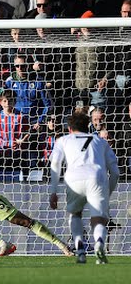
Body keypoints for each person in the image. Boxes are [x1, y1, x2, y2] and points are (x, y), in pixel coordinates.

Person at [49, 112, 120, 264]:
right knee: (99, 218)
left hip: (74, 178)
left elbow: (55, 164)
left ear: (69, 129)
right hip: (96, 177)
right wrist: (108, 191)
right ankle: (99, 243)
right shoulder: (100, 141)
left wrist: (53, 191)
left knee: (75, 214)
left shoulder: (63, 140)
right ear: (88, 126)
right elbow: (115, 172)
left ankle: (80, 250)